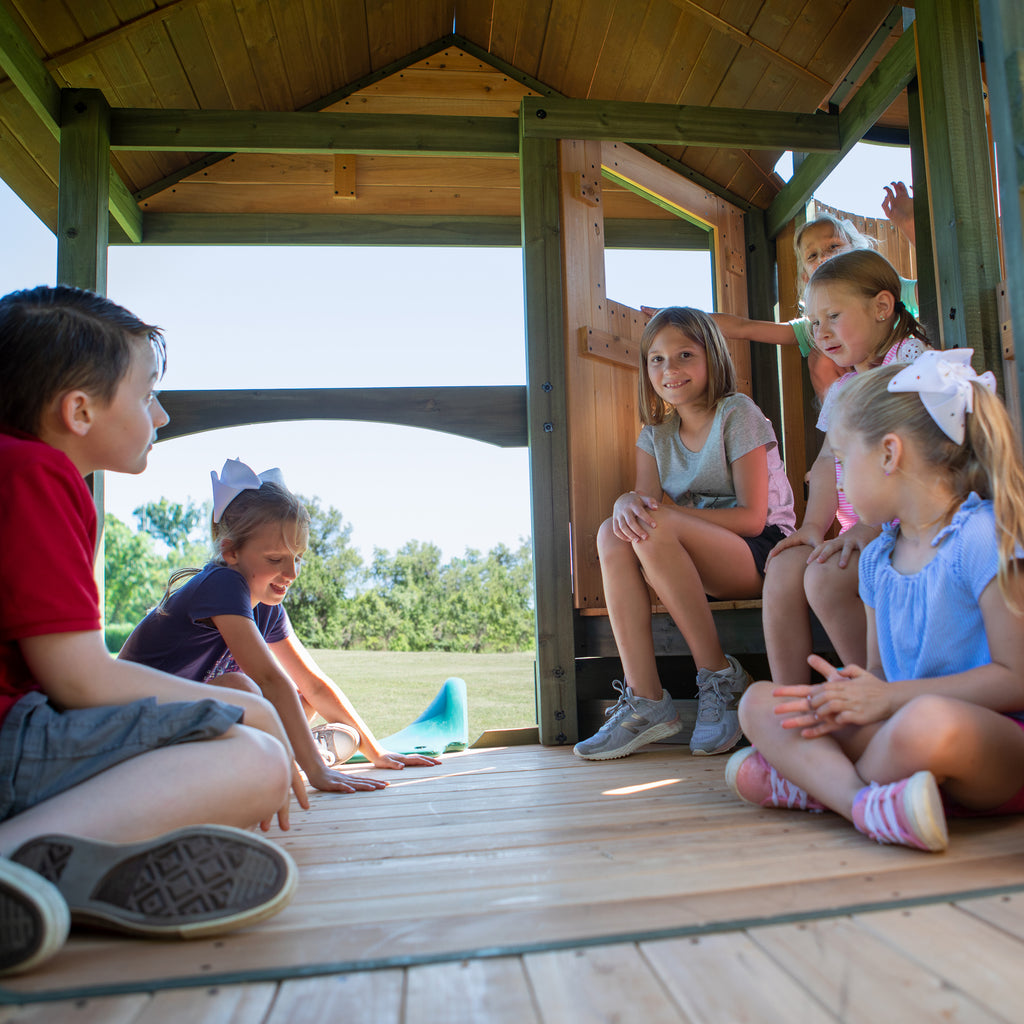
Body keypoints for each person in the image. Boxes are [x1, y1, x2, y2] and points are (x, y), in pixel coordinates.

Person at [0, 286, 299, 976]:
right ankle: (22, 860)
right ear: (79, 410)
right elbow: (79, 679)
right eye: (146, 395)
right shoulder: (39, 474)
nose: (160, 414)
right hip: (13, 741)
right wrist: (237, 709)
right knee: (253, 756)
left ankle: (68, 873)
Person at [727, 350, 1024, 852]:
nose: (837, 480)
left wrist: (886, 701)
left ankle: (815, 785)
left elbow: (1016, 679)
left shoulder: (983, 537)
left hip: (991, 747)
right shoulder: (875, 560)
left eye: (842, 461)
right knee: (761, 704)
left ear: (889, 454)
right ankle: (868, 805)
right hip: (901, 730)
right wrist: (847, 695)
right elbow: (882, 674)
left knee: (925, 722)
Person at [119, 459, 441, 792]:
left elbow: (313, 685)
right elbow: (269, 680)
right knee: (241, 688)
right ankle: (300, 756)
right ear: (230, 552)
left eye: (297, 557)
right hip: (132, 735)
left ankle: (286, 752)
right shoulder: (222, 583)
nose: (292, 573)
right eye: (276, 559)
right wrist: (317, 773)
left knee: (303, 697)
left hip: (184, 728)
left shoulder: (265, 605)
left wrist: (377, 752)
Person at [573, 308, 795, 761]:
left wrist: (667, 518)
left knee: (654, 524)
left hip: (762, 552)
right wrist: (623, 503)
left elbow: (754, 518)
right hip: (690, 556)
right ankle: (647, 699)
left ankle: (719, 674)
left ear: (712, 358)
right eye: (657, 359)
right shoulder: (655, 436)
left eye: (684, 356)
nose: (670, 370)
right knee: (614, 532)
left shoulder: (738, 413)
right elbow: (644, 508)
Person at [763, 250, 929, 692]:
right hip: (859, 530)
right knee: (783, 567)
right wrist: (814, 526)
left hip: (904, 524)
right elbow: (825, 461)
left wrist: (872, 527)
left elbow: (919, 449)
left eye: (833, 315)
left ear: (881, 306)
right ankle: (792, 704)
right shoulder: (840, 390)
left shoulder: (908, 359)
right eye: (814, 322)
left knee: (824, 578)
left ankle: (878, 694)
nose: (821, 332)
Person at [710, 205, 919, 400]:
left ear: (859, 251)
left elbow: (936, 284)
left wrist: (908, 224)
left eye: (834, 246)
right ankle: (845, 420)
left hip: (906, 393)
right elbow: (746, 328)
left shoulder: (891, 292)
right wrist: (689, 321)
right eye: (812, 255)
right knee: (820, 358)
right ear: (807, 279)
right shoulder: (817, 327)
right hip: (860, 406)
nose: (824, 257)